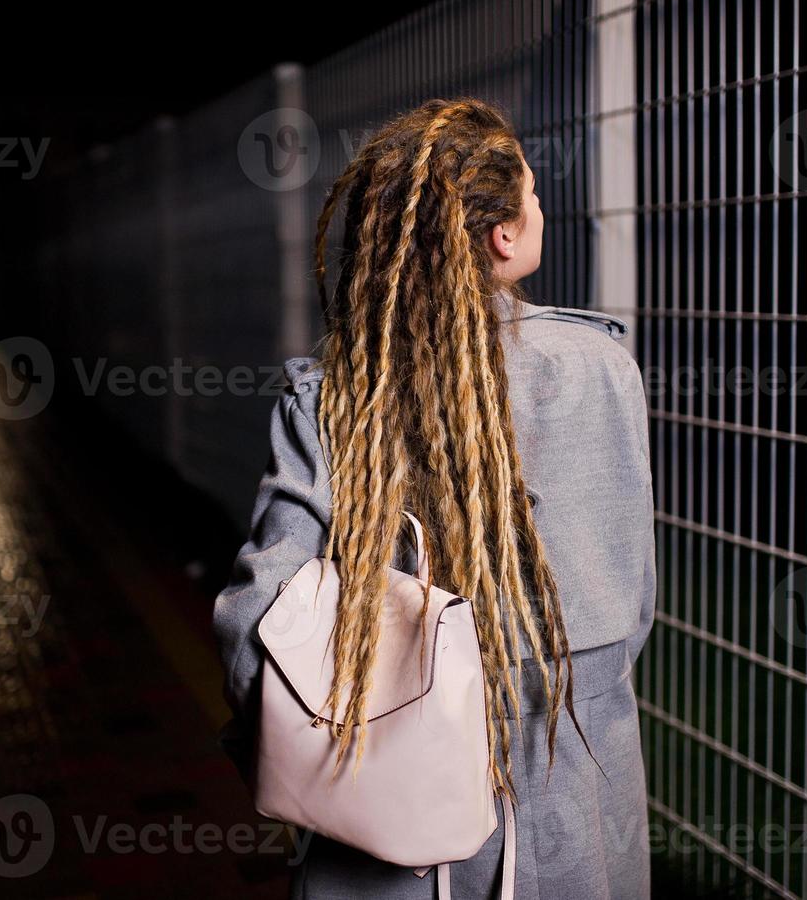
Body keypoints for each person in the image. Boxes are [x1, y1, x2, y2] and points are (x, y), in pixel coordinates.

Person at [212, 97, 656, 899]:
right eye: (531, 192)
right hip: (578, 807)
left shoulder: (337, 395)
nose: (538, 208)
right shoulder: (599, 368)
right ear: (504, 236)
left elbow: (255, 625)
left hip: (383, 820)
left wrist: (301, 743)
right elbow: (631, 600)